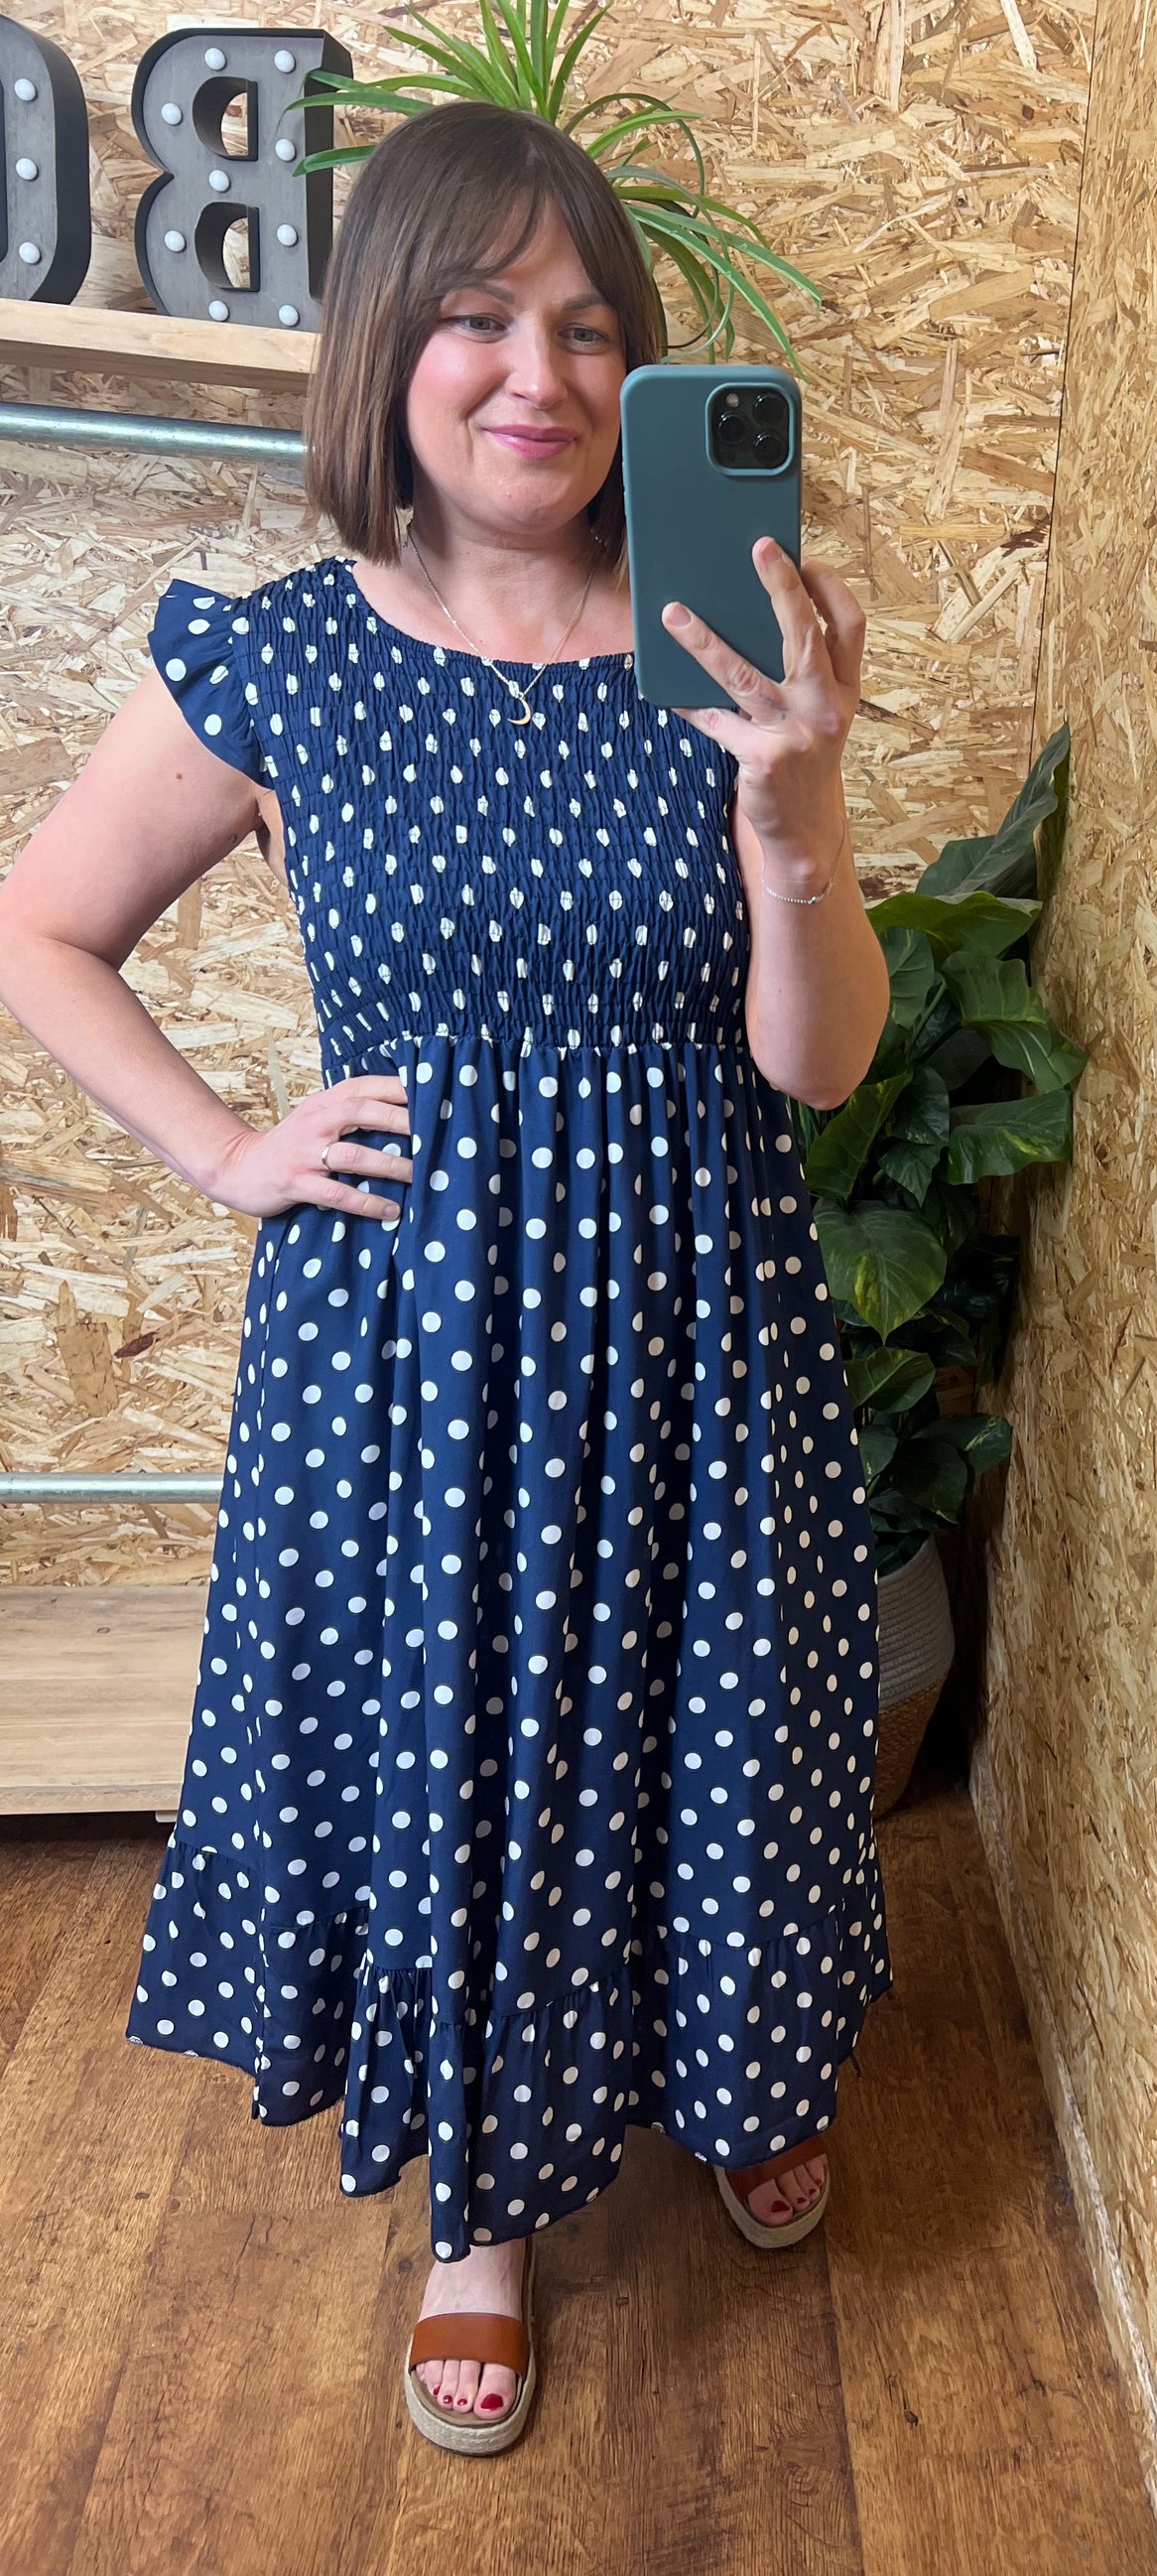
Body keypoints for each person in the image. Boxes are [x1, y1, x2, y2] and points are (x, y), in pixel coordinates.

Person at [0, 98, 894, 2454]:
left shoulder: (721, 643)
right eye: (481, 316)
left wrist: (793, 804)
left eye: (591, 327)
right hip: (412, 1337)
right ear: (385, 339)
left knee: (719, 1713)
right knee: (456, 1741)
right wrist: (225, 1146)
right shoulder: (282, 656)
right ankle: (478, 2214)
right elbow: (43, 926)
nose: (540, 373)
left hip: (699, 1309)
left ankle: (739, 2068)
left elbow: (815, 1065)